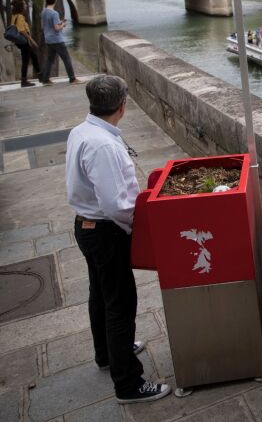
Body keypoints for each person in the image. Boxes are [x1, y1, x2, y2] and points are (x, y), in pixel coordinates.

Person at [65, 76, 170, 404]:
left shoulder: (81, 131)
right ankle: (128, 383)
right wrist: (135, 228)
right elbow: (116, 205)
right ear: (122, 106)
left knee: (100, 295)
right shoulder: (104, 145)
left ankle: (107, 354)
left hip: (86, 226)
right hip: (107, 231)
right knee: (120, 305)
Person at [40, 0, 81, 84]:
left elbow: (45, 25)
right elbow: (57, 28)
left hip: (48, 39)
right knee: (66, 59)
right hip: (57, 39)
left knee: (50, 60)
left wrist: (60, 23)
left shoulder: (43, 12)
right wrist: (63, 25)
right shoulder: (54, 13)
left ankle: (45, 79)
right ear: (55, 1)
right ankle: (72, 78)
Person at [9, 0, 40, 87]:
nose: (26, 5)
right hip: (23, 41)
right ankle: (24, 81)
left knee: (33, 56)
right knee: (26, 60)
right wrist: (32, 41)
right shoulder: (20, 17)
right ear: (21, 7)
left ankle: (40, 75)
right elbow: (22, 30)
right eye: (24, 4)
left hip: (20, 41)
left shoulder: (14, 15)